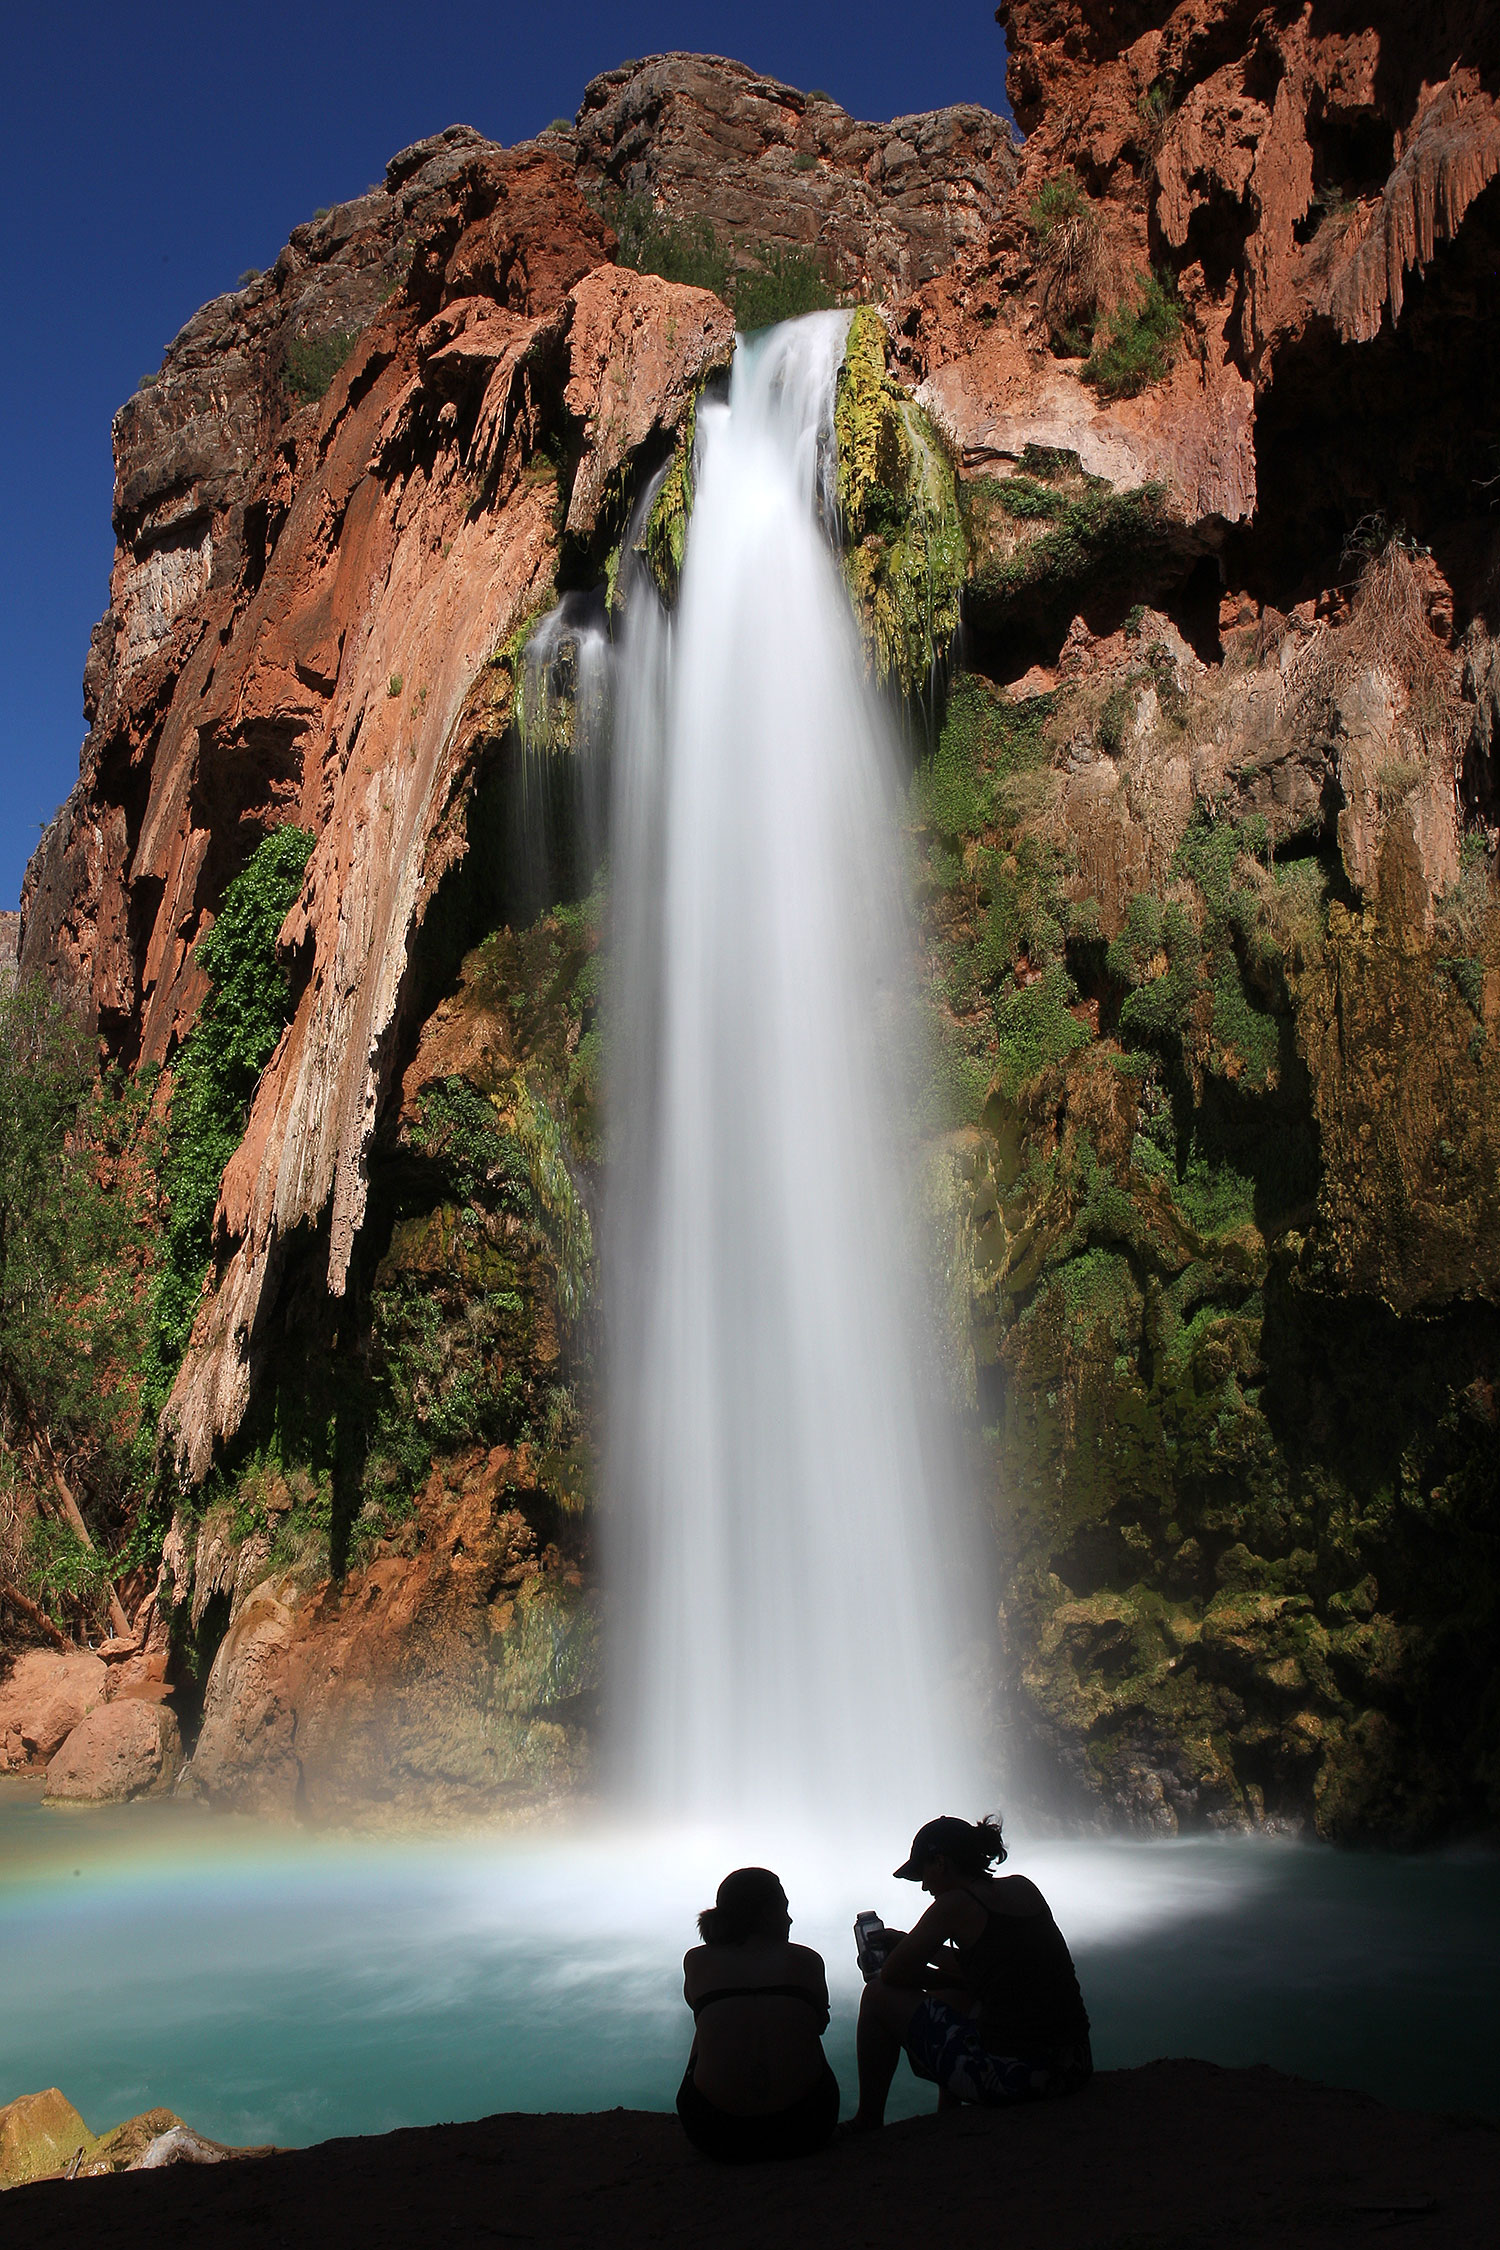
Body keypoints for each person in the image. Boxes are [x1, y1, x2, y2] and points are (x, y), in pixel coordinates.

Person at [852, 1814, 1092, 2128]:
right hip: (1074, 2066)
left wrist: (918, 1962)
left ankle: (868, 2120)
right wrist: (913, 1945)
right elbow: (994, 1964)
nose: (924, 1887)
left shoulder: (954, 1905)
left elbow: (892, 1976)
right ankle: (947, 2113)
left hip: (1021, 2080)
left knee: (877, 1995)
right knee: (952, 1996)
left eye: (923, 1874)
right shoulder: (1023, 1887)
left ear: (940, 1862)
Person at [676, 1866, 841, 2161]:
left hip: (715, 2132)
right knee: (798, 2016)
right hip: (806, 2127)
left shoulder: (697, 1960)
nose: (790, 1919)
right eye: (784, 1910)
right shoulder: (807, 1960)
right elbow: (819, 2026)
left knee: (707, 2019)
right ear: (765, 1915)